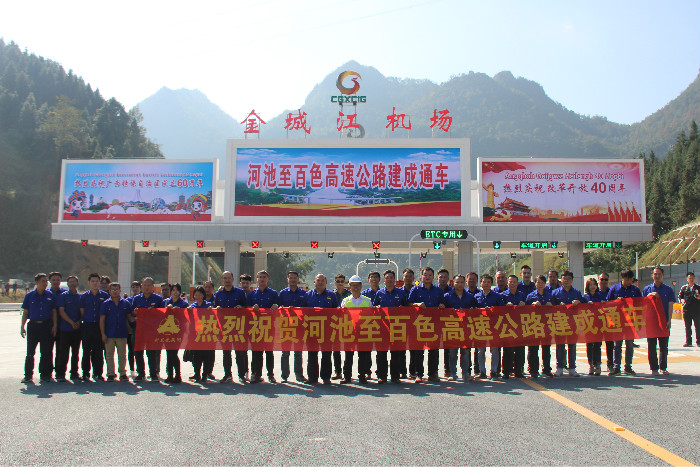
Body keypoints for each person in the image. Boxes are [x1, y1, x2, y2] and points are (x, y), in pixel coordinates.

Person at [408, 267, 445, 383]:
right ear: (421, 277)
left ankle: (433, 374)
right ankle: (418, 374)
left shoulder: (438, 290)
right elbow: (408, 304)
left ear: (433, 277)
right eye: (425, 275)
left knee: (434, 350)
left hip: (434, 324)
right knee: (419, 351)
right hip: (420, 324)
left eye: (429, 275)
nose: (427, 277)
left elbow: (443, 303)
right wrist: (417, 304)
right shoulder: (415, 289)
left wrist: (442, 305)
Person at [372, 269, 409, 383]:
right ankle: (382, 376)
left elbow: (407, 308)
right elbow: (374, 307)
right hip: (383, 327)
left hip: (397, 327)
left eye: (391, 278)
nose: (389, 280)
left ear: (395, 280)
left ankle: (395, 376)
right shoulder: (380, 293)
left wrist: (403, 309)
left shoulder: (401, 293)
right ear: (384, 280)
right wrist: (376, 308)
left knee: (396, 353)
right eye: (387, 278)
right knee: (381, 353)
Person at [20, 273, 57, 383]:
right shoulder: (29, 296)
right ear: (36, 282)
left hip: (46, 326)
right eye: (43, 281)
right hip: (33, 326)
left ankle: (44, 375)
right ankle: (28, 375)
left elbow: (54, 312)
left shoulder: (50, 295)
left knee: (46, 352)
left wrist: (55, 326)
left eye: (46, 281)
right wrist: (22, 326)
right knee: (30, 352)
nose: (45, 283)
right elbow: (25, 312)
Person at [606, 269, 642, 376]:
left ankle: (628, 366)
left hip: (630, 321)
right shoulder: (614, 289)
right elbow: (607, 303)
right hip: (618, 321)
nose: (629, 281)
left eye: (631, 279)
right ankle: (616, 367)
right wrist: (616, 301)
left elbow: (640, 304)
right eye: (627, 279)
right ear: (622, 278)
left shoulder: (635, 290)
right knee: (617, 345)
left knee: (630, 345)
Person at [442, 274, 477, 381]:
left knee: (465, 352)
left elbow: (475, 310)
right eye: (457, 282)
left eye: (462, 282)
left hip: (466, 329)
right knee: (452, 352)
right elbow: (442, 311)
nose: (460, 284)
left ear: (465, 283)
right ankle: (453, 373)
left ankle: (465, 373)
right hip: (452, 328)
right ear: (453, 283)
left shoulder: (470, 297)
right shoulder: (447, 296)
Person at [213, 271, 247, 383]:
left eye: (229, 278)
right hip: (224, 328)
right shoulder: (218, 294)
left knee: (239, 352)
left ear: (233, 279)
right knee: (226, 352)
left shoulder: (240, 293)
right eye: (225, 278)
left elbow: (246, 307)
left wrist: (241, 307)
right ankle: (227, 375)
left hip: (237, 327)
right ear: (222, 280)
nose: (227, 280)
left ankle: (241, 375)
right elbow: (214, 308)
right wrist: (217, 308)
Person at [305, 273, 339, 384]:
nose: (320, 282)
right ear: (314, 282)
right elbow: (302, 311)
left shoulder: (331, 295)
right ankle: (312, 377)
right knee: (312, 354)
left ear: (326, 282)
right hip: (312, 329)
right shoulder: (308, 295)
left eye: (322, 280)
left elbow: (336, 311)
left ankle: (326, 377)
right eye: (318, 280)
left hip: (327, 329)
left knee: (327, 354)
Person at [551, 270, 586, 377]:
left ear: (572, 280)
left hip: (573, 323)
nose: (566, 281)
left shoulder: (577, 292)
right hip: (560, 322)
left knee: (572, 345)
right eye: (564, 279)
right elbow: (550, 307)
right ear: (561, 280)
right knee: (560, 346)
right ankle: (559, 367)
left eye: (568, 279)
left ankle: (572, 368)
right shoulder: (555, 293)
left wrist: (579, 302)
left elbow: (584, 304)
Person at [247, 270, 279, 383]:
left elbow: (278, 307)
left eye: (264, 277)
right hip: (255, 326)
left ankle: (270, 374)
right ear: (256, 279)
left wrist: (276, 306)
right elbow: (246, 309)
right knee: (256, 352)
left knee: (269, 351)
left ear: (267, 279)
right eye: (260, 277)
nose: (262, 279)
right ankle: (256, 374)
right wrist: (252, 307)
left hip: (269, 326)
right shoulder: (251, 294)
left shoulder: (273, 293)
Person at [130, 277, 165, 381]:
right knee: (138, 351)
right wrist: (135, 312)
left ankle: (153, 374)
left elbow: (163, 313)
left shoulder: (158, 299)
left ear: (152, 286)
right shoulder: (136, 298)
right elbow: (132, 312)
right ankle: (141, 373)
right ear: (141, 286)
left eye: (149, 285)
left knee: (151, 352)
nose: (146, 287)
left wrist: (154, 311)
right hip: (139, 329)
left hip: (152, 330)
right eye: (144, 285)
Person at [340, 275, 373, 384]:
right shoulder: (345, 302)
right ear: (349, 287)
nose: (355, 287)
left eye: (357, 285)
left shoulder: (367, 301)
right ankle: (347, 376)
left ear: (361, 286)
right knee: (348, 355)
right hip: (350, 331)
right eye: (353, 285)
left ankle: (362, 376)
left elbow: (372, 317)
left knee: (363, 355)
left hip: (363, 331)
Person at [644, 267, 676, 375]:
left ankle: (663, 367)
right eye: (655, 274)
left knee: (663, 346)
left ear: (663, 275)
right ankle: (654, 368)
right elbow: (642, 303)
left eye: (659, 274)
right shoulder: (647, 289)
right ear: (652, 275)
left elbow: (670, 305)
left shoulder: (668, 289)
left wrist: (669, 320)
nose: (657, 276)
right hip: (651, 322)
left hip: (663, 321)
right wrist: (650, 295)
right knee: (651, 346)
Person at [278, 271, 308, 383]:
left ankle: (299, 375)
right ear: (287, 280)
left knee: (298, 352)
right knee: (285, 352)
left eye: (295, 278)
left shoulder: (304, 293)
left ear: (298, 279)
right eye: (290, 278)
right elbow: (278, 308)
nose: (293, 280)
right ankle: (284, 375)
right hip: (286, 326)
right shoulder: (282, 293)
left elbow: (306, 308)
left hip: (299, 326)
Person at [79, 273, 109, 381]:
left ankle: (98, 373)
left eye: (97, 281)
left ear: (99, 283)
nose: (95, 283)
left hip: (99, 326)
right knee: (86, 350)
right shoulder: (84, 296)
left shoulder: (105, 296)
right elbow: (82, 311)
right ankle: (85, 373)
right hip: (87, 325)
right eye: (92, 281)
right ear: (89, 283)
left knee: (98, 351)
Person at [99, 283, 132, 381]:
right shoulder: (105, 304)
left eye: (117, 289)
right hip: (109, 333)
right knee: (109, 355)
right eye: (112, 290)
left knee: (122, 355)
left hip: (122, 333)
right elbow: (102, 320)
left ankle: (122, 373)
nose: (115, 292)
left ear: (120, 291)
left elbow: (129, 317)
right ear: (109, 291)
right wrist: (103, 334)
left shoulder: (125, 303)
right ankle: (110, 373)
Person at [474, 274, 505, 379]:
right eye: (484, 282)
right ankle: (482, 371)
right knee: (481, 351)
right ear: (481, 283)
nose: (486, 284)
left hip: (494, 327)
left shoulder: (497, 296)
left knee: (494, 350)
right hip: (481, 326)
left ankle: (494, 371)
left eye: (488, 282)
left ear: (492, 284)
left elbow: (502, 310)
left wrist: (492, 310)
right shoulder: (476, 297)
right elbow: (472, 311)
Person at [525, 275, 556, 378]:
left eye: (542, 282)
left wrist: (551, 306)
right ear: (535, 283)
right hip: (534, 325)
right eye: (538, 282)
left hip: (547, 325)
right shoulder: (530, 296)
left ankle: (546, 369)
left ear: (545, 284)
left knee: (546, 348)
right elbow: (524, 311)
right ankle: (533, 370)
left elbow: (556, 309)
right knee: (533, 349)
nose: (540, 284)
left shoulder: (549, 296)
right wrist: (532, 305)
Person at [56, 275, 82, 381]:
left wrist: (79, 322)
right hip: (66, 328)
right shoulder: (63, 296)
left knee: (75, 353)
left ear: (77, 283)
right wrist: (71, 322)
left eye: (74, 281)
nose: (72, 283)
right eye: (70, 282)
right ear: (67, 284)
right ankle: (61, 374)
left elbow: (83, 312)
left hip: (77, 329)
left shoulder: (80, 297)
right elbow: (61, 312)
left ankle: (74, 373)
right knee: (64, 353)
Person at [500, 275, 527, 378]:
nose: (512, 284)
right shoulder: (502, 295)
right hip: (507, 326)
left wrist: (524, 305)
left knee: (520, 350)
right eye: (510, 282)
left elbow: (528, 309)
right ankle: (506, 371)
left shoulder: (522, 295)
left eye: (514, 282)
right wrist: (505, 306)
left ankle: (518, 371)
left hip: (520, 326)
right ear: (507, 283)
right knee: (508, 350)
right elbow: (499, 308)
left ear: (517, 283)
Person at [163, 283, 188, 383]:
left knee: (173, 353)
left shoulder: (183, 303)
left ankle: (177, 375)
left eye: (177, 290)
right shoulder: (165, 302)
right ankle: (170, 375)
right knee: (169, 353)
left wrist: (179, 311)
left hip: (178, 331)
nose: (175, 292)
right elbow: (160, 314)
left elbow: (186, 317)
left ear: (180, 292)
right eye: (173, 290)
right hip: (167, 331)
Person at [187, 286, 212, 382]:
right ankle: (197, 374)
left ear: (203, 295)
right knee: (196, 356)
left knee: (206, 356)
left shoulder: (208, 305)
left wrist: (211, 310)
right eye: (196, 295)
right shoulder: (192, 306)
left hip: (206, 333)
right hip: (195, 335)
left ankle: (205, 374)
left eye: (200, 294)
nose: (197, 296)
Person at [583, 277, 606, 376]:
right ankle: (591, 365)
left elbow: (606, 307)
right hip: (588, 324)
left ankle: (598, 365)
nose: (592, 286)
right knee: (589, 345)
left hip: (598, 324)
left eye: (594, 284)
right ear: (587, 286)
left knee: (597, 345)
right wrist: (586, 304)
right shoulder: (584, 297)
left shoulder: (600, 296)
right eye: (590, 285)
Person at [361, 271, 382, 379]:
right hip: (367, 324)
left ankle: (380, 372)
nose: (374, 279)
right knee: (367, 350)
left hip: (381, 325)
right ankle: (367, 371)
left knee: (380, 350)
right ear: (368, 280)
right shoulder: (363, 294)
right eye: (372, 277)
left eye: (376, 277)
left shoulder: (383, 292)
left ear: (379, 280)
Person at [48, 272, 67, 376]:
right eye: (53, 280)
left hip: (62, 327)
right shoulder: (45, 293)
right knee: (47, 351)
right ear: (50, 281)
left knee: (61, 351)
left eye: (58, 280)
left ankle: (59, 372)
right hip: (48, 327)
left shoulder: (65, 293)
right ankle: (48, 371)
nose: (56, 282)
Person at [436, 268, 454, 378]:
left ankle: (448, 370)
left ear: (448, 278)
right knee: (434, 348)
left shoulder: (452, 291)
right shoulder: (433, 290)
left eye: (445, 277)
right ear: (437, 278)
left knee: (449, 348)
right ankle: (434, 371)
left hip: (449, 323)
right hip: (434, 323)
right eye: (441, 277)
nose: (443, 279)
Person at [333, 274, 351, 380]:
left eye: (342, 281)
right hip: (335, 325)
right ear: (335, 283)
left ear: (345, 283)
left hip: (348, 324)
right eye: (338, 281)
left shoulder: (350, 294)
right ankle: (338, 371)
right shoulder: (331, 294)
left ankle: (347, 373)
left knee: (348, 350)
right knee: (336, 350)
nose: (340, 283)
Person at [597, 272, 615, 372]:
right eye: (602, 279)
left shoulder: (611, 292)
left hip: (609, 322)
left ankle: (610, 364)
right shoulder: (595, 292)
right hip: (597, 322)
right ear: (598, 280)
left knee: (610, 344)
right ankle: (597, 365)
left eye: (606, 279)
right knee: (597, 345)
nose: (604, 281)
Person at [399, 268, 415, 379]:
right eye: (406, 276)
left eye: (410, 276)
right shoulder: (398, 291)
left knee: (415, 349)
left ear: (413, 278)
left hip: (415, 324)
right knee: (401, 349)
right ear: (402, 278)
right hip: (401, 324)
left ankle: (413, 371)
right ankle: (402, 371)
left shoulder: (417, 290)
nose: (408, 278)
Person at [678, 272, 700, 347]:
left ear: (694, 278)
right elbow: (680, 297)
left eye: (692, 278)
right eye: (690, 278)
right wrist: (682, 301)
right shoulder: (684, 288)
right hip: (687, 310)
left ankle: (699, 342)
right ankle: (688, 342)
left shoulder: (698, 288)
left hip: (696, 310)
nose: (691, 279)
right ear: (687, 279)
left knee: (698, 326)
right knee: (687, 327)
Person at [201, 280, 217, 380]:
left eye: (209, 287)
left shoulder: (216, 299)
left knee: (211, 351)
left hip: (212, 328)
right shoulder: (200, 298)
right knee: (200, 351)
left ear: (213, 288)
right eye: (205, 287)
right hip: (201, 328)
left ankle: (209, 371)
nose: (207, 289)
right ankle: (199, 371)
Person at [126, 281, 141, 377]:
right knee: (131, 350)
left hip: (142, 328)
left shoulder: (142, 299)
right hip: (131, 328)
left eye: (137, 287)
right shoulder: (127, 300)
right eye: (133, 287)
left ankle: (141, 370)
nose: (135, 289)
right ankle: (132, 369)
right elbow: (126, 315)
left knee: (141, 351)